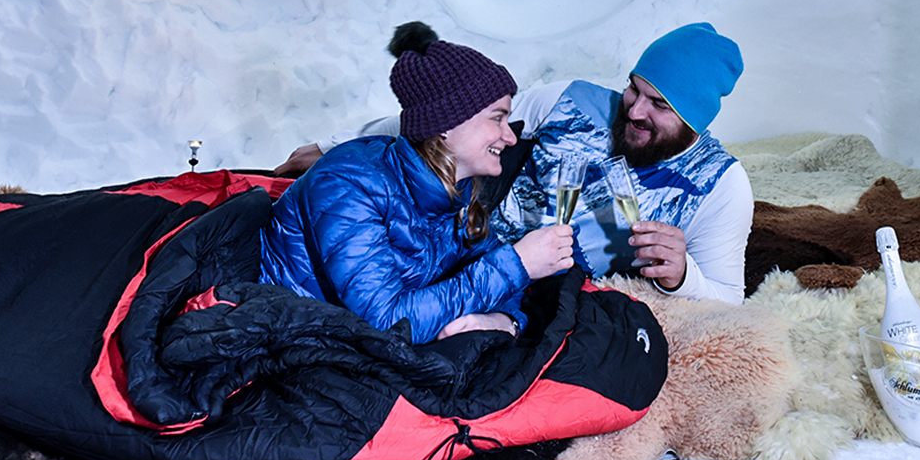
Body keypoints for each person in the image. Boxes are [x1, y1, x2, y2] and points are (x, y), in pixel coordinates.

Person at [279, 22, 751, 304]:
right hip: (466, 257)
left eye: (660, 105)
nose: (634, 110)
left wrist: (683, 276)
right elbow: (461, 118)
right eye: (634, 88)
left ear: (695, 117)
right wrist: (335, 144)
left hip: (568, 308)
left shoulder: (721, 185)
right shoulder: (572, 101)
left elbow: (729, 298)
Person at [258, 22, 576, 344]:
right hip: (291, 332)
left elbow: (506, 282)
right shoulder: (348, 185)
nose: (510, 137)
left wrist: (503, 321)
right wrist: (516, 263)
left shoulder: (460, 193)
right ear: (445, 124)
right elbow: (385, 323)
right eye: (497, 118)